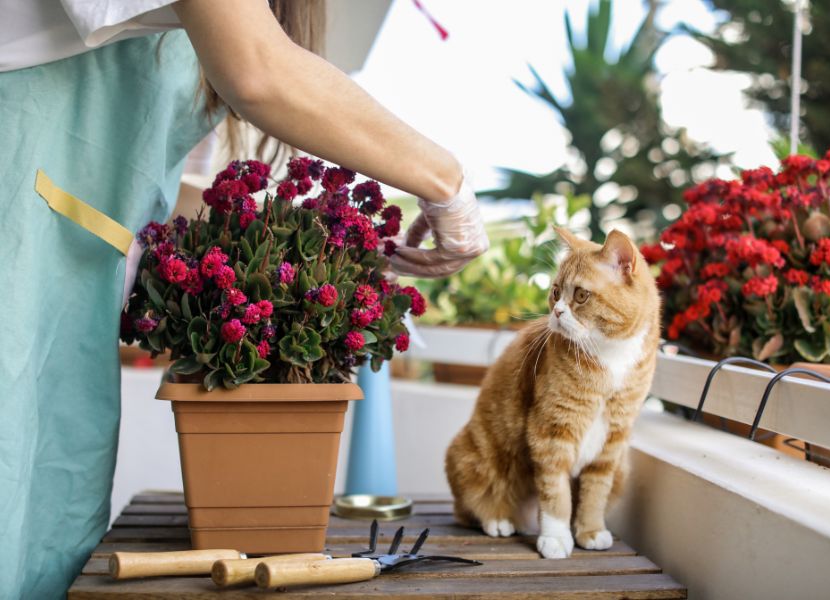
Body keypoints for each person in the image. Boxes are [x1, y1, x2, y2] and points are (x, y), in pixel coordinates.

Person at [0, 1, 488, 597]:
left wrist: (299, 243)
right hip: (17, 254)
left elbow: (127, 190)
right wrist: (448, 183)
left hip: (59, 296)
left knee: (38, 526)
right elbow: (258, 70)